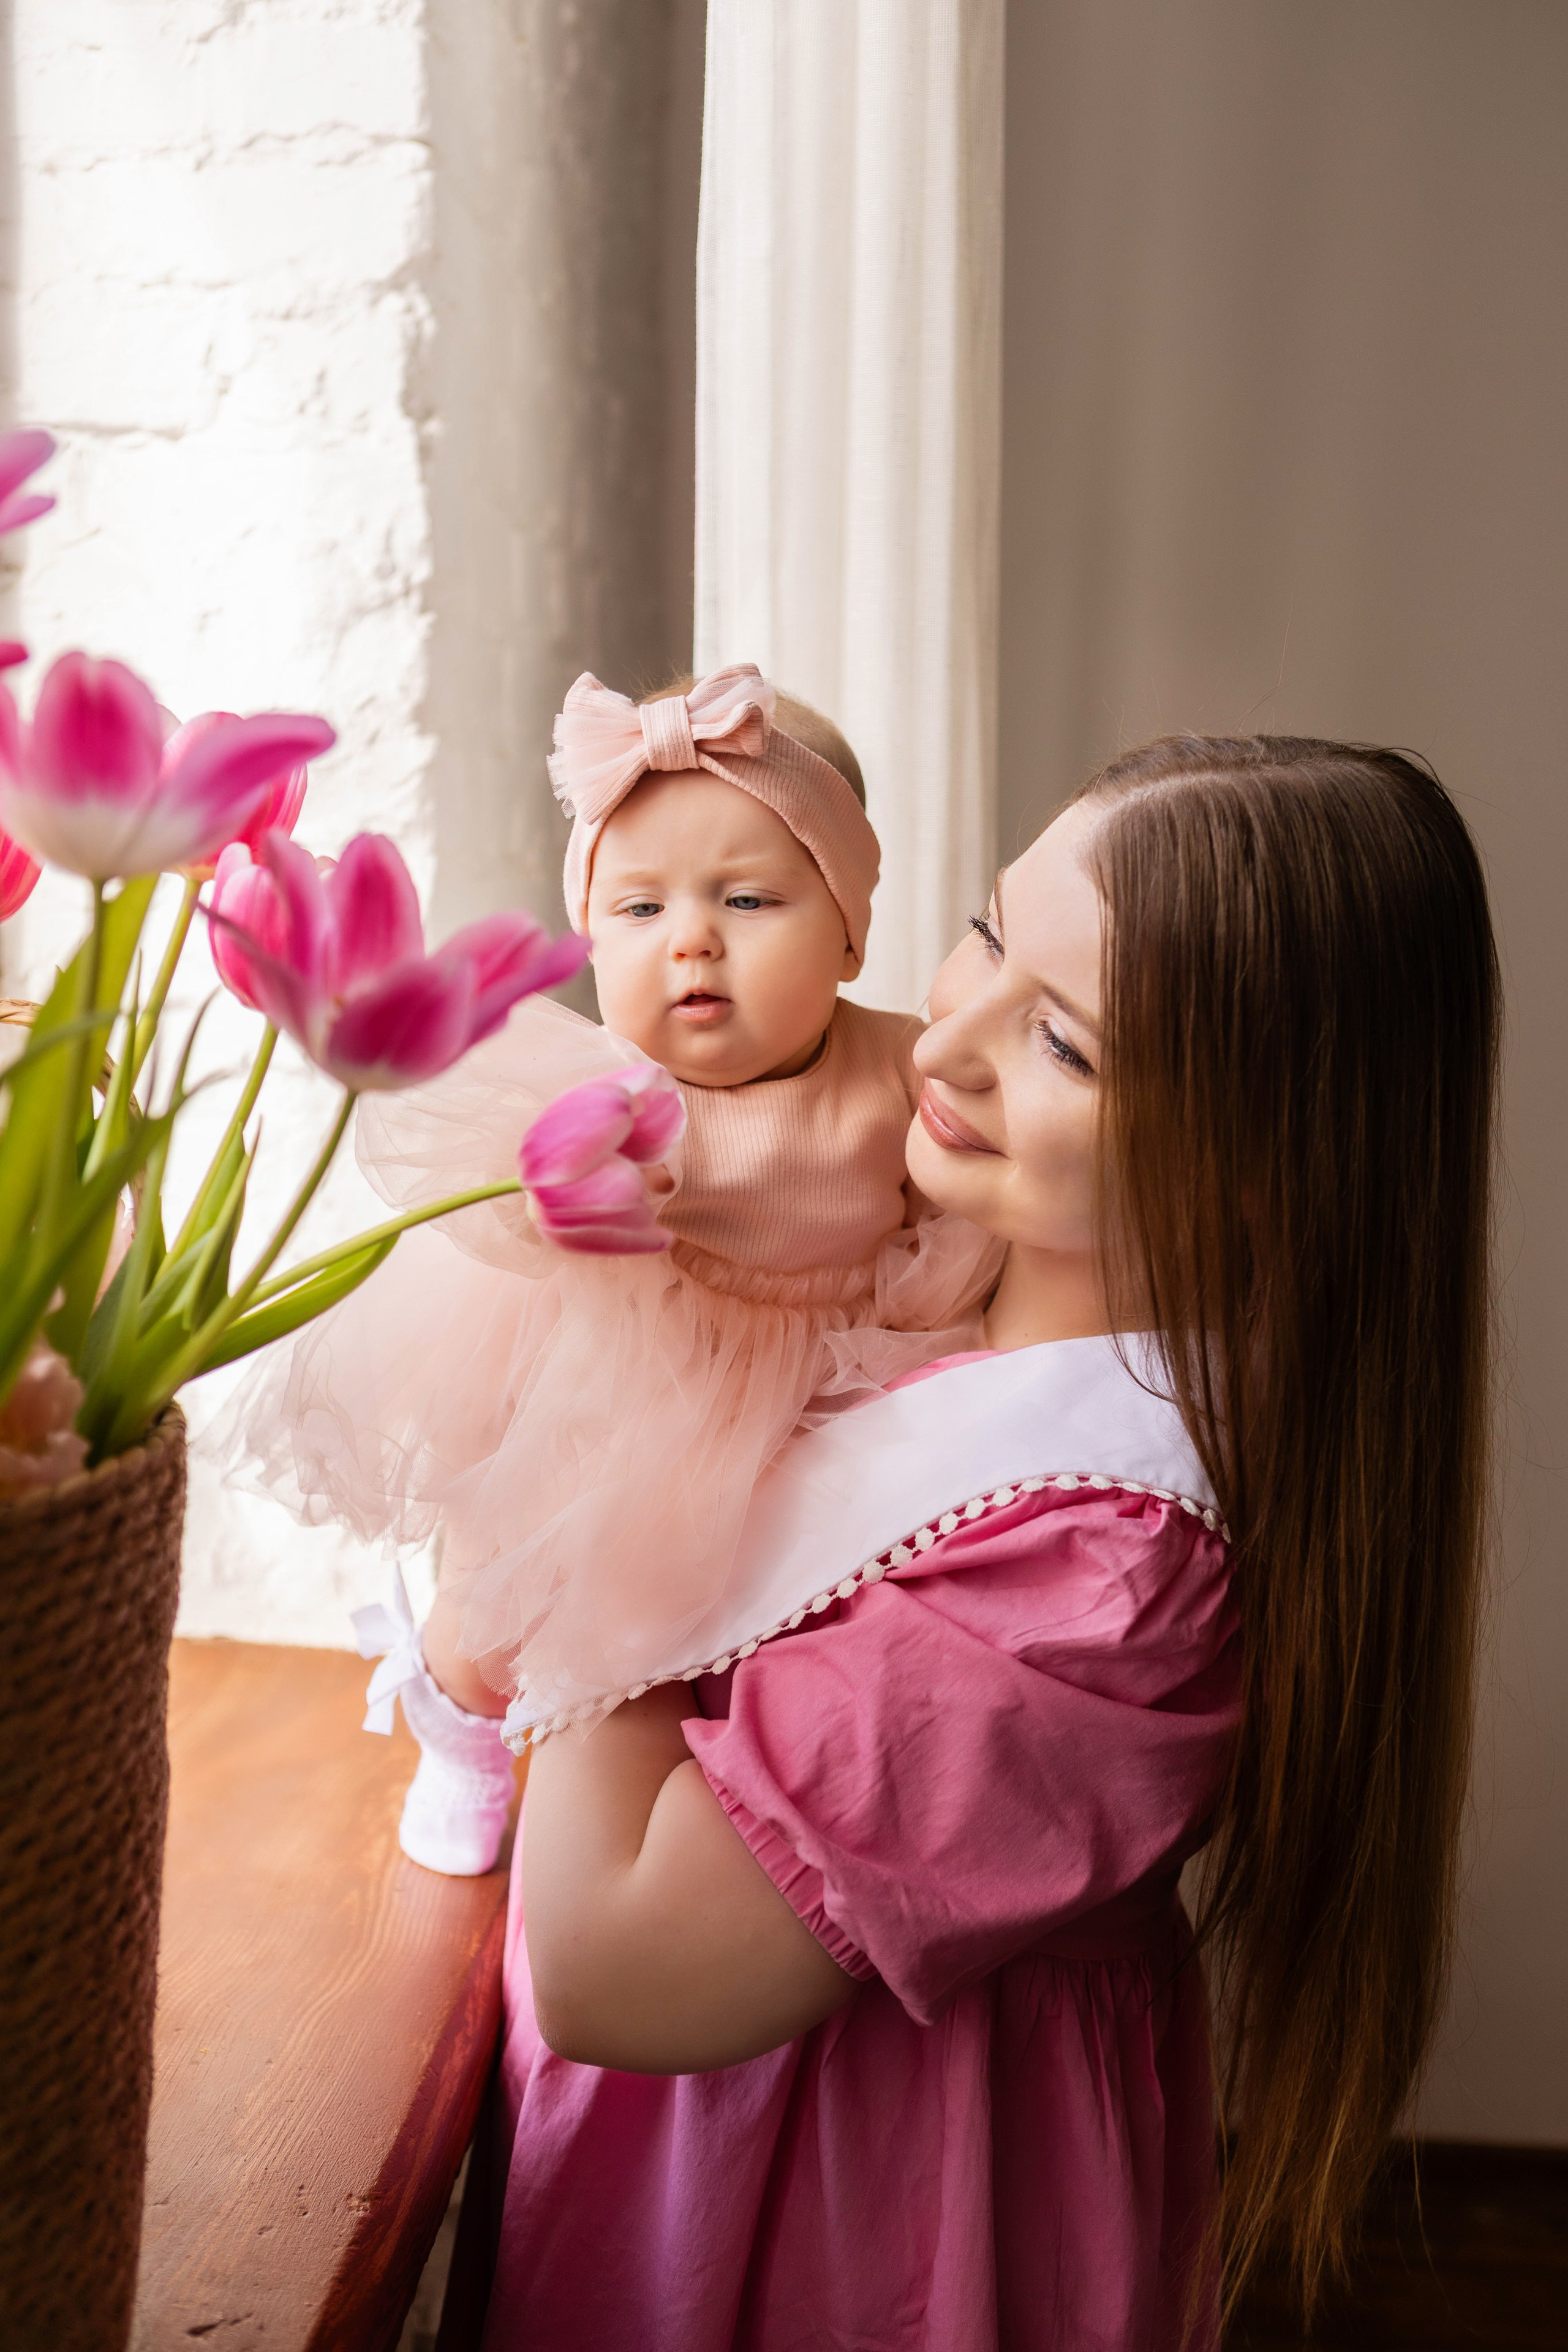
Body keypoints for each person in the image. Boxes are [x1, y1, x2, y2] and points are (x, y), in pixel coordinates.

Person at [478, 735, 1498, 2350]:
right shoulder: (914, 1262)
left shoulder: (1108, 1571)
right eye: (984, 934)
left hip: (851, 2212)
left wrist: (610, 1427)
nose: (942, 1045)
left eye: (1067, 1047)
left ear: (1262, 1179)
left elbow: (618, 1967)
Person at [233, 664, 1000, 1871]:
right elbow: (489, 1191)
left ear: (848, 929)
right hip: (620, 1393)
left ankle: (708, 1809)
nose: (690, 939)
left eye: (746, 901)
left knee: (764, 1632)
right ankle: (456, 1717)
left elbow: (960, 1206)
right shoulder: (592, 1083)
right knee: (512, 1599)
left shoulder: (898, 1070)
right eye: (637, 911)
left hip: (826, 1393)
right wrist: (576, 1192)